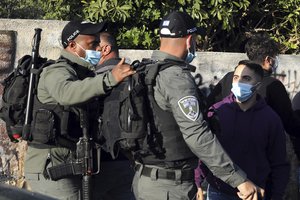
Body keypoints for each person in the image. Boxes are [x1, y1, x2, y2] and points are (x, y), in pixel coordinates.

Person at [132, 11, 259, 200]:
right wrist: (238, 179)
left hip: (145, 178)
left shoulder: (145, 70)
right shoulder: (176, 78)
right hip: (170, 186)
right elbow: (197, 134)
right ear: (189, 39)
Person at [24, 20, 135, 199]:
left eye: (98, 43)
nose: (99, 48)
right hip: (51, 167)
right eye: (92, 44)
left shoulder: (83, 73)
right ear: (73, 45)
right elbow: (67, 93)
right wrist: (110, 79)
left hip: (71, 164)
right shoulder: (57, 71)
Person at [206, 33, 300, 199]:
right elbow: (289, 124)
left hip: (226, 173)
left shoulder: (229, 78)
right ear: (268, 59)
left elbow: (207, 111)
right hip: (257, 174)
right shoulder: (273, 85)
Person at [195, 60, 289, 200]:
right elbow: (203, 150)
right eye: (236, 77)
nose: (239, 82)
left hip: (253, 193)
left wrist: (275, 195)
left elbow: (279, 163)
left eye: (246, 78)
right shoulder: (216, 112)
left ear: (258, 85)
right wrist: (197, 183)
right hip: (218, 190)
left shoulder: (271, 119)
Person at [92, 31, 135, 200]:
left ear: (105, 49)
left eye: (94, 46)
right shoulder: (136, 76)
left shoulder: (93, 79)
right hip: (133, 160)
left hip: (100, 161)